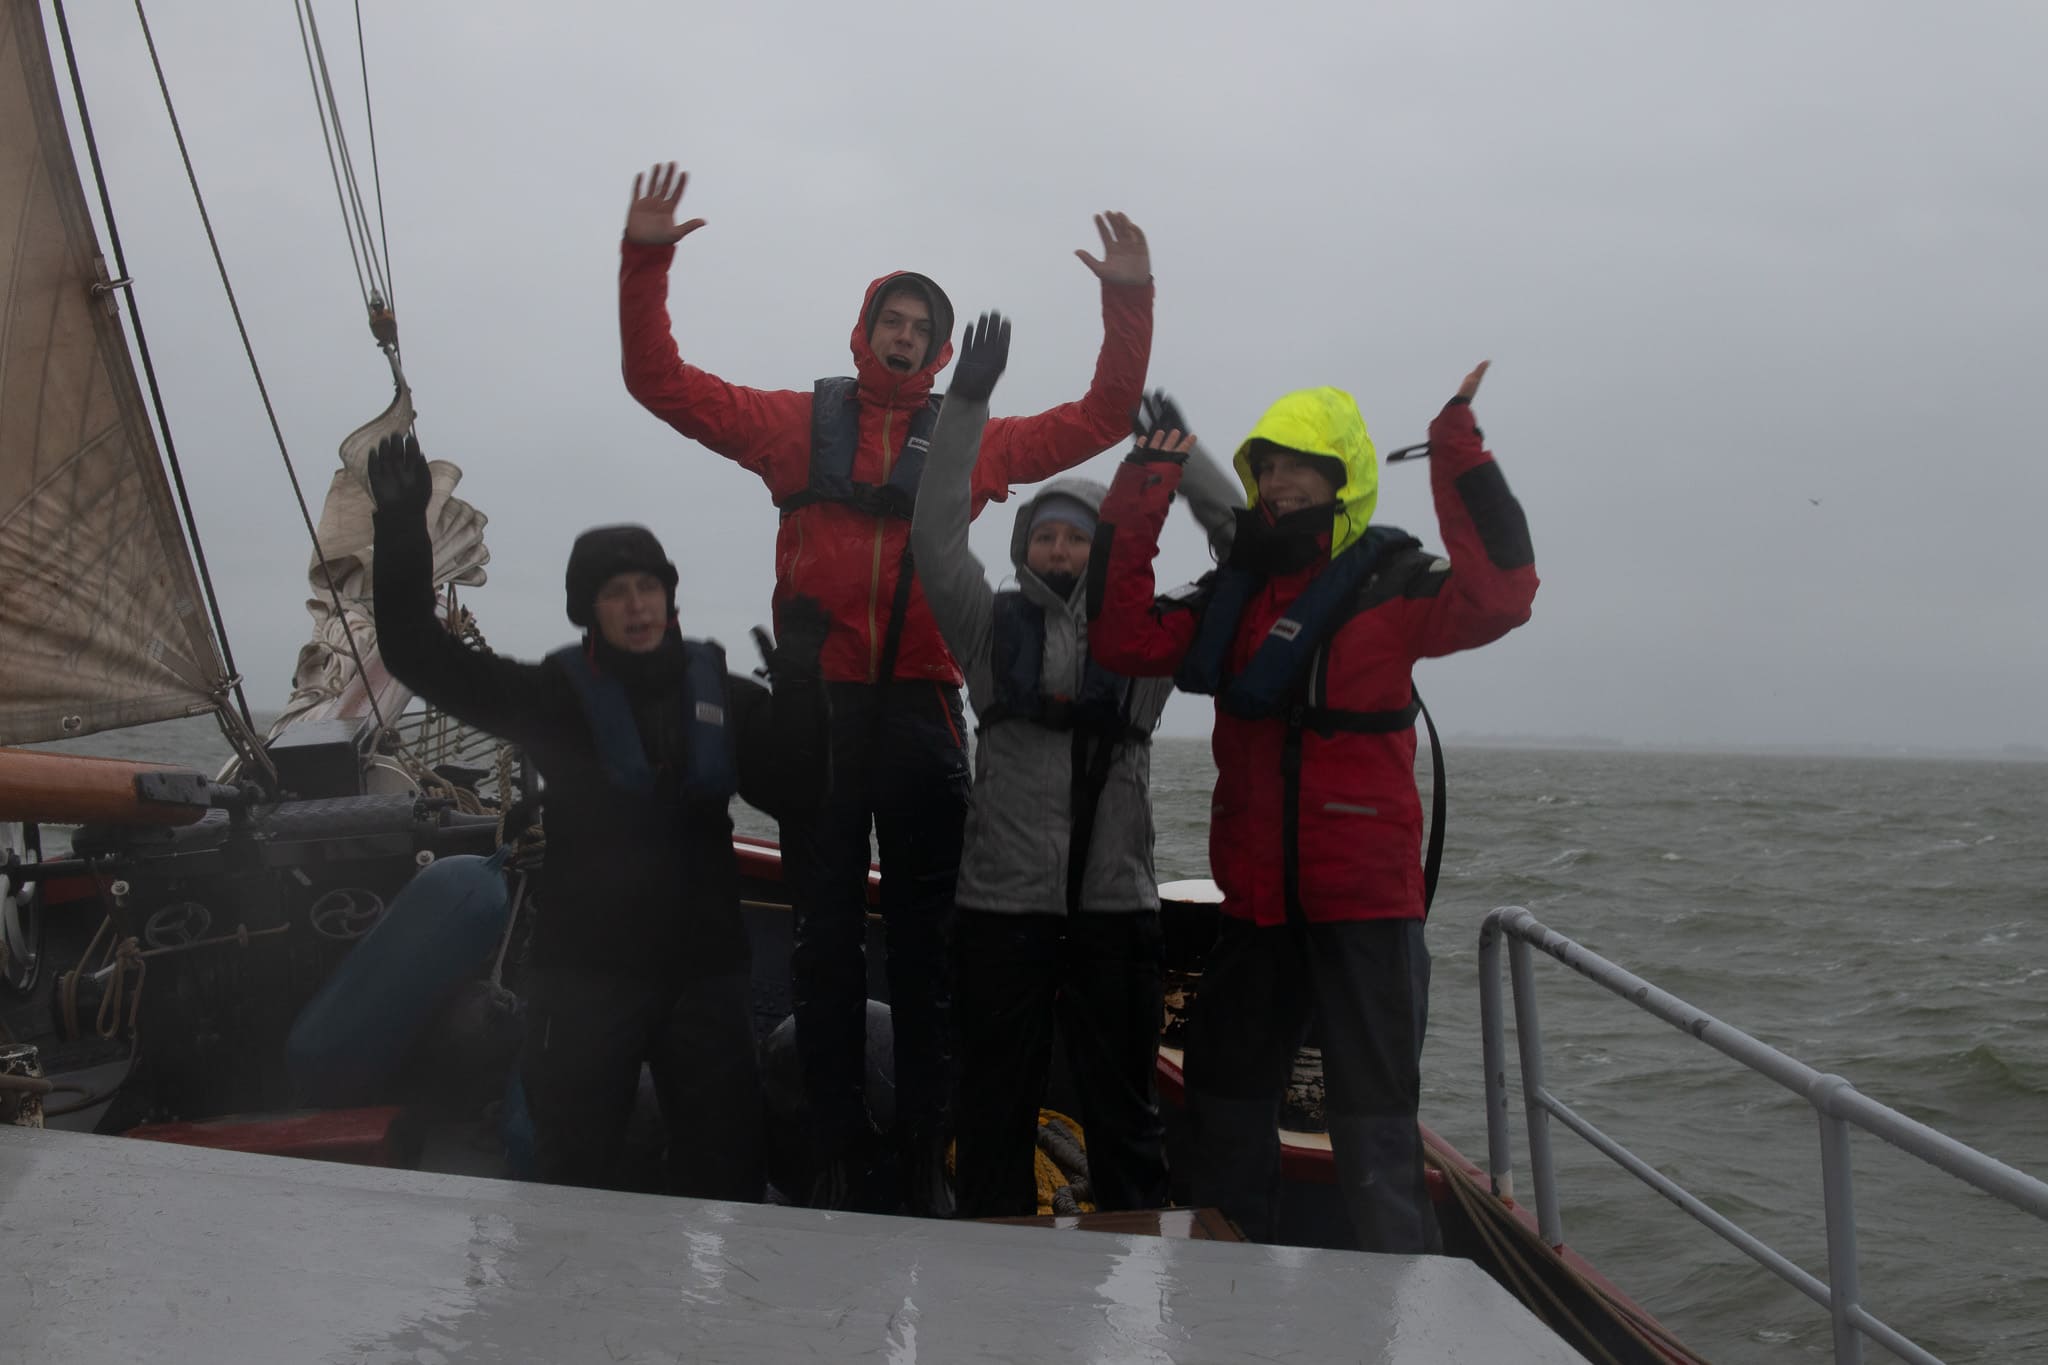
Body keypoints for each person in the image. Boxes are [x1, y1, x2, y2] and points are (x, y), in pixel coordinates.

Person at [617, 162, 1157, 1214]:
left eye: (922, 328)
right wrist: (648, 258)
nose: (905, 338)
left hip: (921, 710)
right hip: (816, 714)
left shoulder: (976, 442)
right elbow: (659, 381)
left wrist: (1126, 297)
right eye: (891, 321)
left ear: (942, 351)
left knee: (928, 948)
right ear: (864, 331)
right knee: (822, 940)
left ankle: (922, 1148)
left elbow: (1104, 413)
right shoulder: (790, 424)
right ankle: (833, 1143)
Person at [1087, 366, 1537, 1251]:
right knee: (1221, 1106)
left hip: (1366, 912)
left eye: (1302, 464)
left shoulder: (1394, 584)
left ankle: (1399, 1303)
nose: (1280, 480)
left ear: (1345, 479)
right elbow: (1122, 636)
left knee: (1375, 1129)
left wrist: (1455, 448)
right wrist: (1146, 482)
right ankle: (1227, 1292)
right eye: (1267, 465)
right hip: (1255, 915)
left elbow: (1503, 596)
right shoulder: (1233, 594)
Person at [367, 431, 782, 1201]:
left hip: (706, 976)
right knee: (575, 1174)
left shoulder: (729, 698)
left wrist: (808, 694)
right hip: (586, 979)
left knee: (731, 1170)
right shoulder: (551, 700)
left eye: (648, 587)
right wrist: (399, 528)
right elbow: (420, 654)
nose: (637, 604)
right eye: (616, 591)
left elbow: (803, 791)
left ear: (669, 596)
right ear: (586, 608)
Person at [908, 317, 1234, 1217]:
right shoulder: (985, 628)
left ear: (1106, 547)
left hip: (1116, 912)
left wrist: (1185, 461)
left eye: (1078, 538)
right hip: (999, 911)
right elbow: (935, 534)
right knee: (993, 1111)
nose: (1059, 550)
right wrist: (966, 401)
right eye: (1045, 536)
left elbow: (1244, 554)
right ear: (1023, 548)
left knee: (1126, 1117)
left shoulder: (1147, 640)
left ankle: (1133, 1268)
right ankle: (992, 1265)